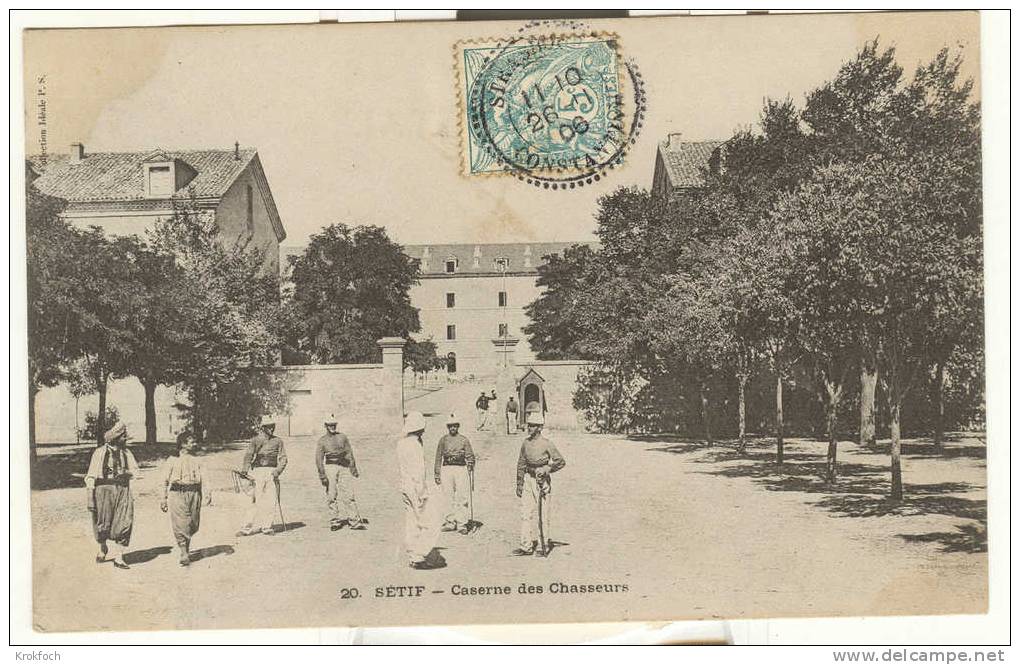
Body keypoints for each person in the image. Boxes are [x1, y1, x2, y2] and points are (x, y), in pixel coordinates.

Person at [84, 421, 139, 570]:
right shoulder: (100, 453)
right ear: (116, 437)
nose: (125, 440)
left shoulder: (127, 453)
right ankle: (103, 548)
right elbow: (90, 476)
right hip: (104, 489)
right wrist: (90, 497)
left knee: (124, 521)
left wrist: (127, 473)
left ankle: (119, 556)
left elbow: (136, 471)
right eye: (123, 437)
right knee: (103, 522)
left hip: (123, 489)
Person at [513, 411, 566, 557]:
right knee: (525, 513)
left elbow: (560, 461)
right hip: (528, 480)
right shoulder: (525, 443)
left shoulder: (547, 444)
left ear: (539, 427)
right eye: (529, 425)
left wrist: (547, 469)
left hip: (541, 481)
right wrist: (519, 483)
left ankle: (543, 545)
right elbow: (521, 463)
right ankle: (526, 546)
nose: (529, 428)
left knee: (543, 514)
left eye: (532, 426)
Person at [397, 411, 442, 569]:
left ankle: (413, 554)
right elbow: (419, 471)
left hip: (405, 486)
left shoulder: (401, 443)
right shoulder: (415, 445)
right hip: (416, 488)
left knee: (412, 521)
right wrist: (422, 492)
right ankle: (419, 554)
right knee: (431, 523)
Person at [160, 432, 210, 566]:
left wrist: (208, 493)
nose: (194, 444)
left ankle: (186, 548)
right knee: (181, 523)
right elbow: (164, 480)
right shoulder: (172, 459)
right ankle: (183, 552)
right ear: (182, 444)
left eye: (194, 441)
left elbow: (205, 478)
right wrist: (163, 498)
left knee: (193, 524)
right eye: (191, 442)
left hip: (194, 493)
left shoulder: (198, 460)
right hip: (177, 492)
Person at [237, 415, 288, 536]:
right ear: (263, 427)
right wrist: (245, 469)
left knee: (271, 499)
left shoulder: (278, 441)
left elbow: (283, 458)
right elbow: (249, 455)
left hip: (271, 472)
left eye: (273, 426)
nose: (271, 429)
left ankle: (267, 527)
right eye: (268, 427)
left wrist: (277, 471)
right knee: (254, 500)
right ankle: (246, 528)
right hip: (258, 471)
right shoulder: (256, 440)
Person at [314, 413, 365, 531]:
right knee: (331, 495)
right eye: (330, 425)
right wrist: (322, 475)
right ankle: (335, 521)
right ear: (326, 426)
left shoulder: (343, 437)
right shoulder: (322, 441)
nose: (332, 427)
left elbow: (349, 452)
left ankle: (354, 521)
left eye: (334, 425)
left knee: (349, 494)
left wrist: (353, 467)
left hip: (344, 467)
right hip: (330, 468)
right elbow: (318, 459)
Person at [434, 413, 476, 534]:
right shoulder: (443, 440)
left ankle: (462, 523)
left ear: (458, 426)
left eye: (455, 426)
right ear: (448, 427)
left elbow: (470, 455)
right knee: (448, 496)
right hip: (447, 469)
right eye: (450, 426)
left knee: (462, 497)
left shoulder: (464, 440)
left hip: (460, 469)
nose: (453, 428)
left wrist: (470, 464)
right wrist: (437, 473)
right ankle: (450, 522)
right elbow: (438, 457)